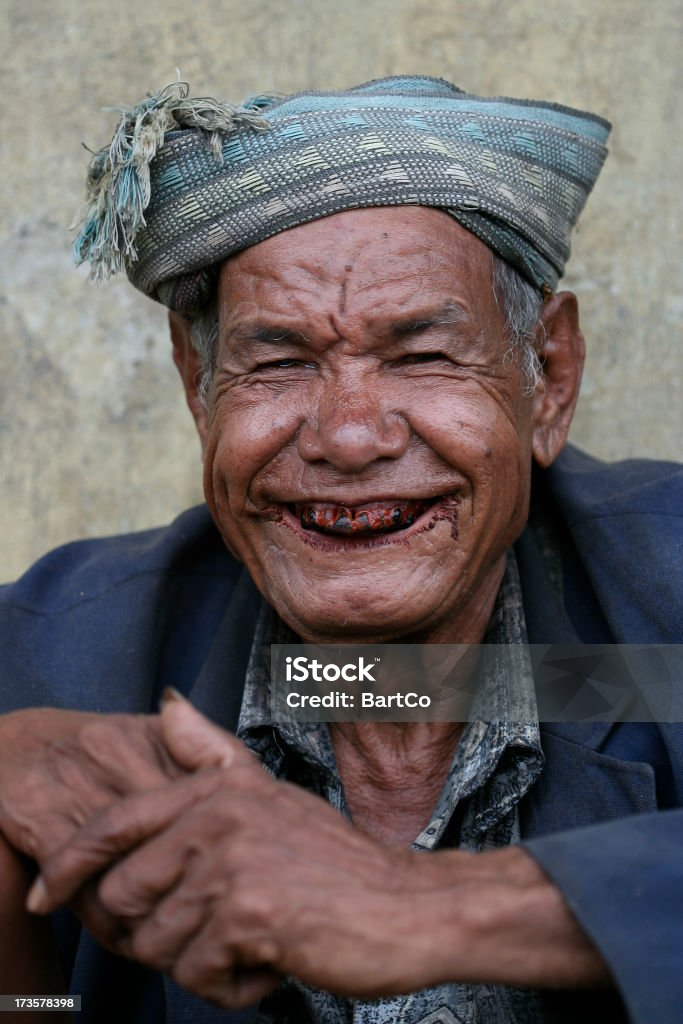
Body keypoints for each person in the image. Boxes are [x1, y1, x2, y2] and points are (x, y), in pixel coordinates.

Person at [0, 76, 680, 1024]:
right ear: (198, 384)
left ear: (549, 378)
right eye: (276, 361)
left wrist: (422, 909)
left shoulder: (657, 604)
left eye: (422, 356)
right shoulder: (64, 647)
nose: (348, 437)